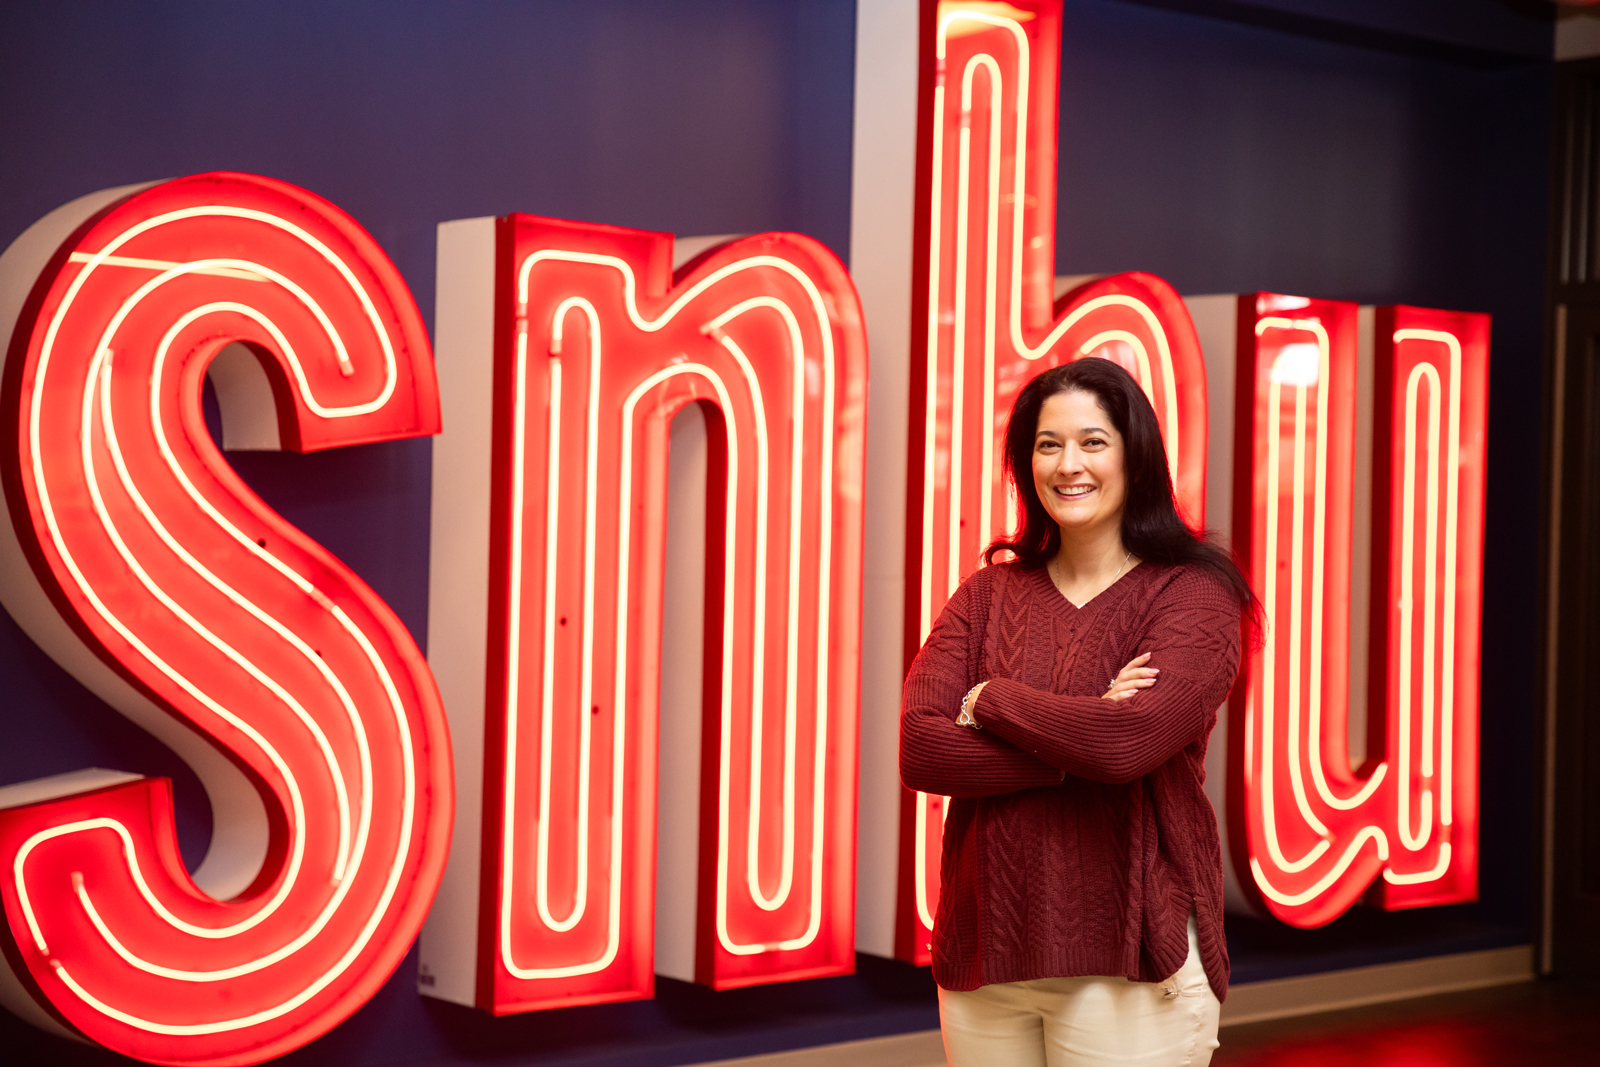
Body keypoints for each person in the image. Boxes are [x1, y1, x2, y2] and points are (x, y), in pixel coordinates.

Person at [900, 358, 1260, 1067]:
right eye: (1048, 443)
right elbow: (922, 748)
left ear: (1137, 453)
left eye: (1094, 441)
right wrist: (1083, 728)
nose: (1069, 465)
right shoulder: (986, 594)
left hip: (1128, 964)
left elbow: (1124, 748)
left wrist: (990, 698)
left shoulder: (1192, 596)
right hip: (985, 961)